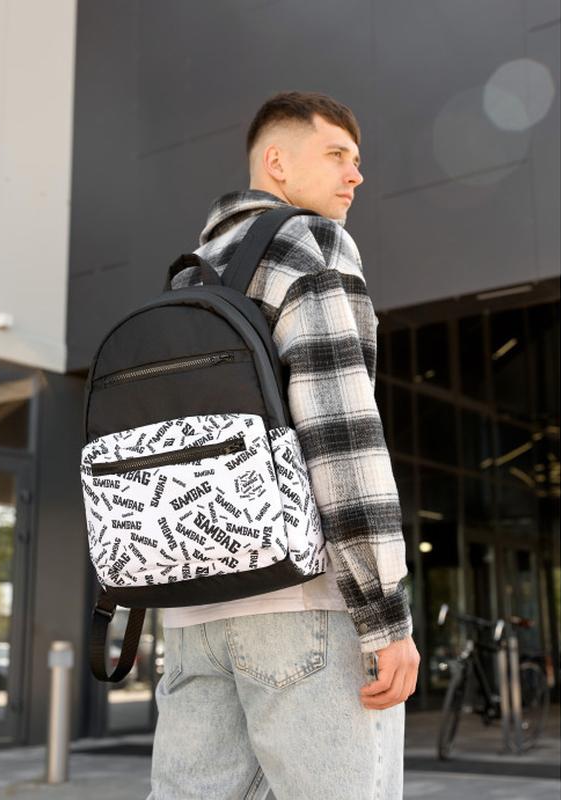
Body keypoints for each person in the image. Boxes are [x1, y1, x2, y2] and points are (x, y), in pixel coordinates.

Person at [147, 91, 420, 800]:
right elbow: (340, 431)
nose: (355, 174)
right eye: (336, 155)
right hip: (301, 609)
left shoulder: (190, 274)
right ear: (277, 162)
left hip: (192, 616)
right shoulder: (310, 242)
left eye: (356, 160)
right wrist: (384, 614)